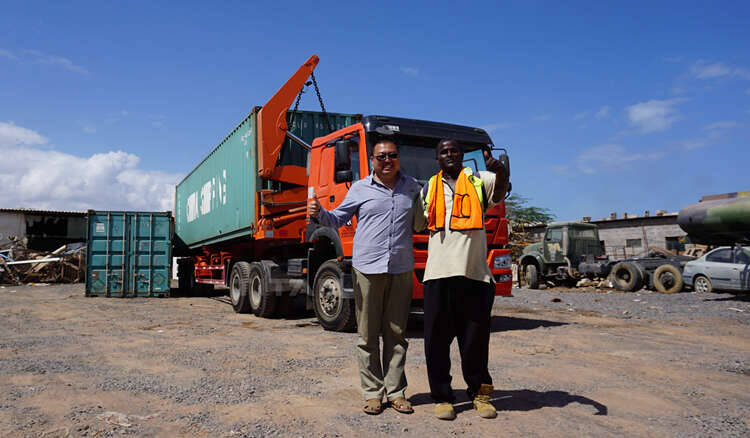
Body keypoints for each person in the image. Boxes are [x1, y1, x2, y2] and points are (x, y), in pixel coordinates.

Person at [307, 138, 424, 415]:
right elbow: (337, 219)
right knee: (368, 334)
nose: (387, 161)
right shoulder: (360, 189)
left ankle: (396, 392)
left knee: (396, 334)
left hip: (400, 268)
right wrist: (319, 214)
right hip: (367, 269)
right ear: (372, 159)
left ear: (398, 158)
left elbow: (422, 222)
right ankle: (373, 393)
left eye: (392, 155)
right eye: (381, 156)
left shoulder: (413, 188)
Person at [418, 138, 510, 420]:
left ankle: (480, 396)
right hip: (438, 275)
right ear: (437, 158)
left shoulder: (481, 180)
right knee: (436, 342)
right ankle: (443, 397)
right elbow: (419, 222)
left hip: (474, 275)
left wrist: (501, 170)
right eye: (444, 151)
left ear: (461, 155)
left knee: (475, 342)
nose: (449, 155)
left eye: (454, 151)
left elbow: (502, 189)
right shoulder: (428, 188)